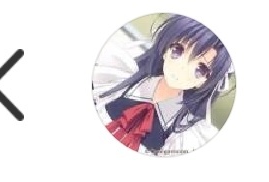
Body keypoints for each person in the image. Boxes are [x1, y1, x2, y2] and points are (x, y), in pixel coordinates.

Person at [97, 17, 234, 156]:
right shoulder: (118, 76)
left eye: (200, 70)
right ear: (165, 49)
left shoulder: (186, 134)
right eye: (177, 51)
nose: (181, 68)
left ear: (206, 82)